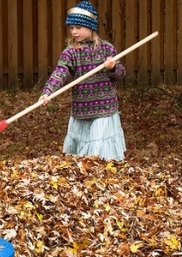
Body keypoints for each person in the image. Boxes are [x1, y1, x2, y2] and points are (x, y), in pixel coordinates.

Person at [39, 1, 126, 161]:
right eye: (71, 28)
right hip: (81, 109)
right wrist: (47, 92)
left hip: (104, 109)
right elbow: (60, 72)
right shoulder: (70, 52)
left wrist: (112, 67)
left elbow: (120, 75)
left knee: (99, 152)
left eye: (78, 27)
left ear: (90, 26)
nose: (74, 32)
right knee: (81, 158)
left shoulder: (107, 49)